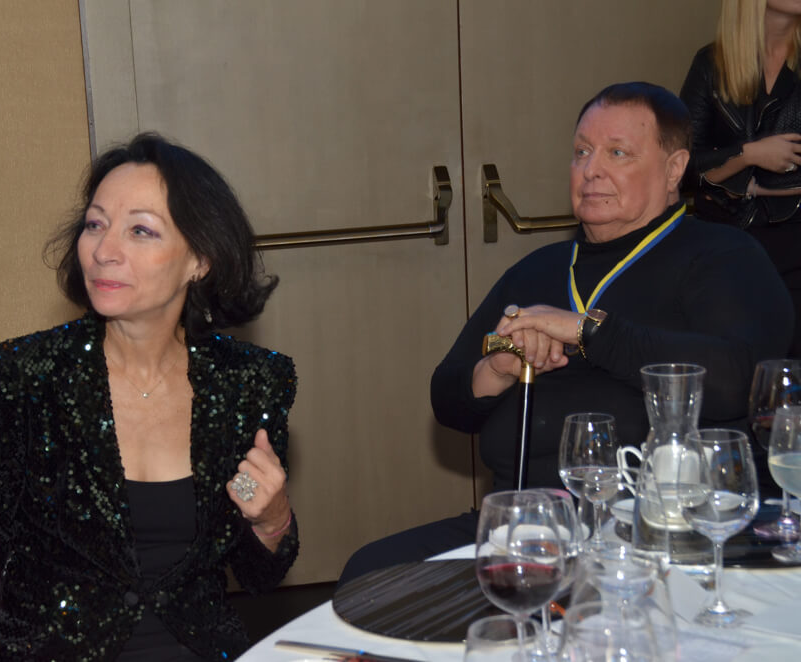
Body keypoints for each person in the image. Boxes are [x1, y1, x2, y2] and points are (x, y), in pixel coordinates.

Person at [339, 82, 792, 585]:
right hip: (526, 527)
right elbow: (447, 399)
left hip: (663, 533)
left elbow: (737, 378)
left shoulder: (723, 255)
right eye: (581, 152)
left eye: (617, 153)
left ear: (673, 169)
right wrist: (497, 369)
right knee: (370, 574)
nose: (591, 169)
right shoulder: (538, 269)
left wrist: (587, 331)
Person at [0, 133, 298, 661]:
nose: (103, 251)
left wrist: (272, 519)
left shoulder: (248, 382)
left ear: (200, 259)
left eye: (140, 230)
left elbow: (260, 576)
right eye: (95, 225)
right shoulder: (27, 374)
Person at [680, 0, 801, 357]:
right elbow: (681, 165)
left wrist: (740, 180)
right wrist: (749, 155)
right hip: (725, 249)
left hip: (795, 248)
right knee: (732, 372)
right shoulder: (710, 64)